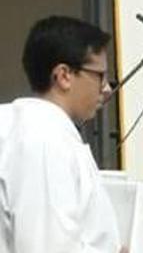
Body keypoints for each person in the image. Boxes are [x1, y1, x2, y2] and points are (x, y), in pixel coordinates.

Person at [0, 16, 122, 252]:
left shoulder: (30, 127)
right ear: (64, 75)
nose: (106, 89)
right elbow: (46, 245)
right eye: (100, 76)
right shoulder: (44, 138)